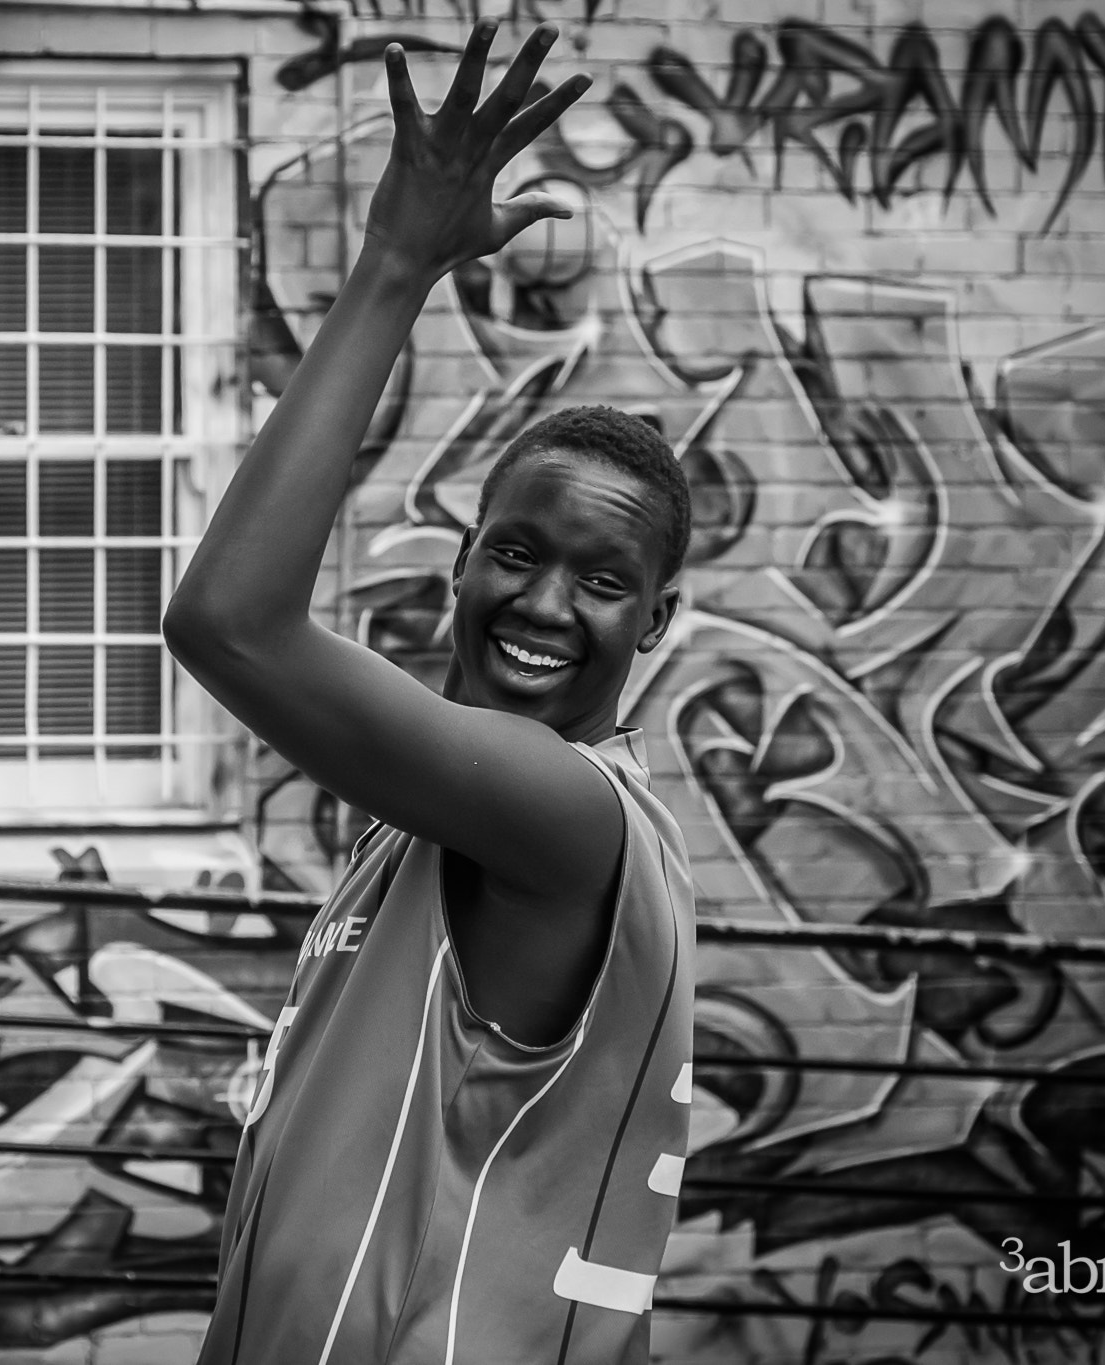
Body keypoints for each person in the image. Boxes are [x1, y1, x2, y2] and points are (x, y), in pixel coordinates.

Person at [166, 20, 696, 1364]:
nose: (544, 604)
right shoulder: (429, 814)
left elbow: (228, 620)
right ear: (464, 559)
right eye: (519, 553)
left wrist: (398, 262)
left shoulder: (568, 812)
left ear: (655, 623)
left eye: (603, 581)